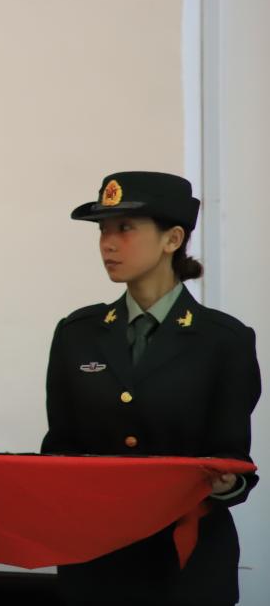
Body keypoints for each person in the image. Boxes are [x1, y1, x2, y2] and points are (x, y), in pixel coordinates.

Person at [42, 171, 261, 606]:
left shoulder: (223, 340)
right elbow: (60, 449)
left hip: (185, 568)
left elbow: (235, 461)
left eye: (124, 228)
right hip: (97, 563)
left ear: (172, 239)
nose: (107, 244)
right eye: (103, 230)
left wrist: (222, 482)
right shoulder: (77, 333)